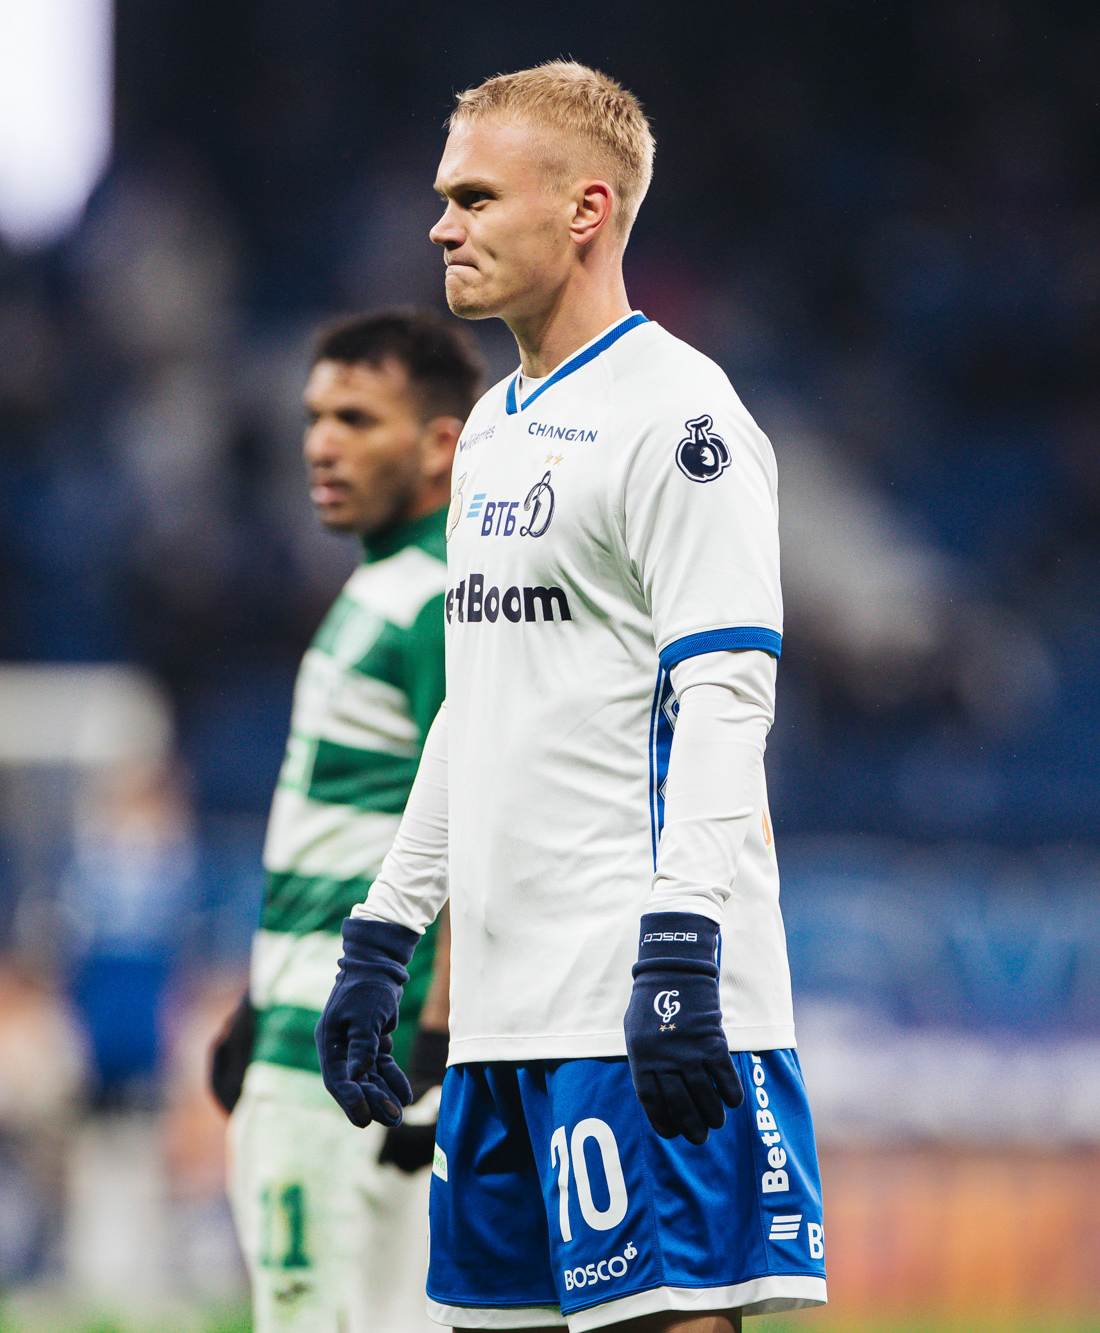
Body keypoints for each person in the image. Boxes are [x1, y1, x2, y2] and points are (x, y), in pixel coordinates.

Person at [315, 63, 825, 1332]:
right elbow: (474, 704)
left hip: (634, 992)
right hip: (504, 1016)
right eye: (446, 198)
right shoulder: (489, 428)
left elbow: (725, 693)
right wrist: (385, 932)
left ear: (586, 210)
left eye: (475, 198)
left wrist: (681, 944)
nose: (441, 227)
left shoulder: (682, 419)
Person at [211, 310, 486, 1332]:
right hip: (309, 1032)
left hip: (362, 1066)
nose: (321, 443)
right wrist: (260, 999)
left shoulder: (443, 596)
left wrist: (437, 1041)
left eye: (357, 419)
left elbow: (478, 819)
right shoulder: (383, 582)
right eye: (315, 416)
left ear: (440, 443)